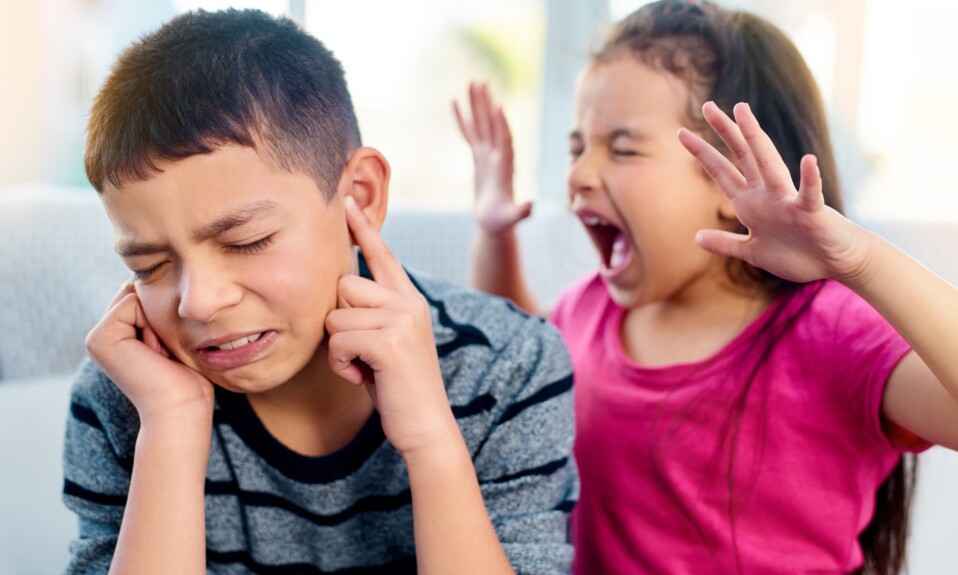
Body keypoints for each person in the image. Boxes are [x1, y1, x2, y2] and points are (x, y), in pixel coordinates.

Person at [62, 9, 577, 575]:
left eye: (246, 240)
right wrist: (172, 424)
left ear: (359, 195)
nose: (199, 302)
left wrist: (431, 440)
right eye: (150, 264)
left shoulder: (508, 369)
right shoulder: (129, 395)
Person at [454, 0, 958, 573]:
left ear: (732, 177)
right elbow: (517, 358)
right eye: (578, 148)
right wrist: (494, 237)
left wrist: (860, 260)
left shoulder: (833, 331)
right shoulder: (590, 309)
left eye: (622, 148)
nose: (578, 176)